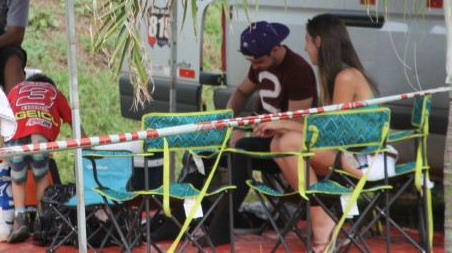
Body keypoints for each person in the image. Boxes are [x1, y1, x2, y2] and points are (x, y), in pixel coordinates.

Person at [154, 21, 318, 246]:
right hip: (260, 135)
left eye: (259, 62)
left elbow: (296, 125)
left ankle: (220, 230)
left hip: (284, 148)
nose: (256, 67)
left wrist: (252, 135)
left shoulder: (299, 71)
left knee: (241, 151)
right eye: (252, 63)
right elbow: (241, 92)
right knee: (204, 155)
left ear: (275, 50)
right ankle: (177, 223)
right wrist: (229, 124)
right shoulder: (260, 63)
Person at [268, 13, 381, 252]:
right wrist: (285, 125)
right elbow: (327, 130)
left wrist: (287, 124)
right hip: (345, 153)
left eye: (307, 40)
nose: (304, 48)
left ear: (318, 41)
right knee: (277, 145)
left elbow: (330, 133)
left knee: (287, 142)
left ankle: (322, 223)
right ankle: (322, 220)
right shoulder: (335, 75)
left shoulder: (346, 77)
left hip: (362, 159)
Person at [5, 73, 86, 244]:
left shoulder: (16, 89)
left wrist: (3, 147)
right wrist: (87, 143)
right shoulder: (55, 92)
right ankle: (42, 222)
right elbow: (73, 120)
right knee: (41, 175)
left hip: (15, 132)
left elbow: (4, 114)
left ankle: (20, 219)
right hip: (40, 132)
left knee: (17, 177)